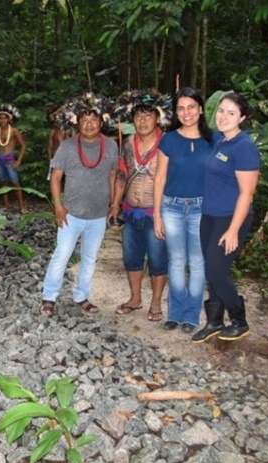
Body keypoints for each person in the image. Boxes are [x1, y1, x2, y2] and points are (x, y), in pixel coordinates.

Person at [40, 93, 118, 316]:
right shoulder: (66, 146)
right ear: (77, 123)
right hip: (70, 214)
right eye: (84, 120)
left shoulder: (111, 145)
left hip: (98, 215)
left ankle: (81, 296)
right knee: (61, 255)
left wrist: (113, 205)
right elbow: (55, 177)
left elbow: (113, 175)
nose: (89, 124)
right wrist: (57, 206)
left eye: (94, 119)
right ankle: (49, 296)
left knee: (90, 259)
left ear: (102, 122)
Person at [193, 92, 260, 342]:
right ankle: (214, 322)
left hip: (231, 218)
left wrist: (233, 230)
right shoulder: (221, 140)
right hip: (210, 215)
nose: (223, 116)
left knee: (217, 272)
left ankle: (240, 321)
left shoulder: (244, 147)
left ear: (242, 117)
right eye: (221, 110)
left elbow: (247, 193)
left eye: (231, 113)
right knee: (213, 271)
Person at [153, 87, 214, 333]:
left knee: (198, 262)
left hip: (201, 207)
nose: (186, 112)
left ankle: (191, 316)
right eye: (181, 108)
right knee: (176, 260)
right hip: (172, 207)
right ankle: (174, 313)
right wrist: (156, 215)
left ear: (200, 109)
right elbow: (159, 178)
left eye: (191, 107)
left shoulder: (214, 141)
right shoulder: (168, 139)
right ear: (175, 112)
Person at [110, 94, 169, 322]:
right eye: (138, 116)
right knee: (131, 257)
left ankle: (155, 303)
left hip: (156, 213)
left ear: (157, 118)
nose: (142, 121)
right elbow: (122, 176)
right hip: (130, 211)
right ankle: (135, 299)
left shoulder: (168, 144)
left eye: (148, 116)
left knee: (157, 259)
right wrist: (115, 205)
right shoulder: (127, 143)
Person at [0, 104, 27, 212]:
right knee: (3, 182)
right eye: (0, 118)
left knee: (15, 183)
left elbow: (23, 145)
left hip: (10, 159)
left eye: (5, 118)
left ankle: (22, 207)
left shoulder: (14, 131)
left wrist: (18, 160)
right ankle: (6, 206)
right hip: (0, 159)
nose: (2, 120)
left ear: (9, 119)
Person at [46, 105, 73, 180]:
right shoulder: (53, 131)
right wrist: (50, 161)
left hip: (70, 157)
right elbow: (50, 147)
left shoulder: (69, 130)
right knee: (57, 179)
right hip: (57, 157)